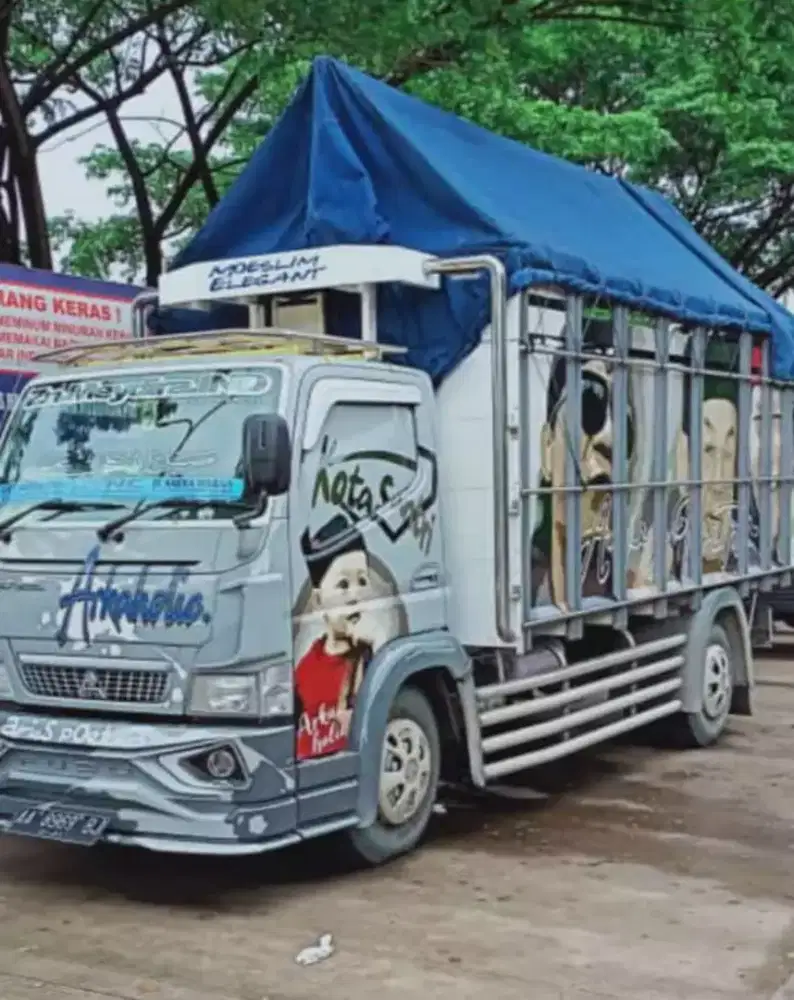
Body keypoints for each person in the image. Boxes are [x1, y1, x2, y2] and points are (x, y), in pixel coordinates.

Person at [294, 513, 387, 760]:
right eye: (343, 585)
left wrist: (377, 646)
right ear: (318, 601)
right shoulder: (305, 670)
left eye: (363, 581)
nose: (355, 595)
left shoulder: (372, 655)